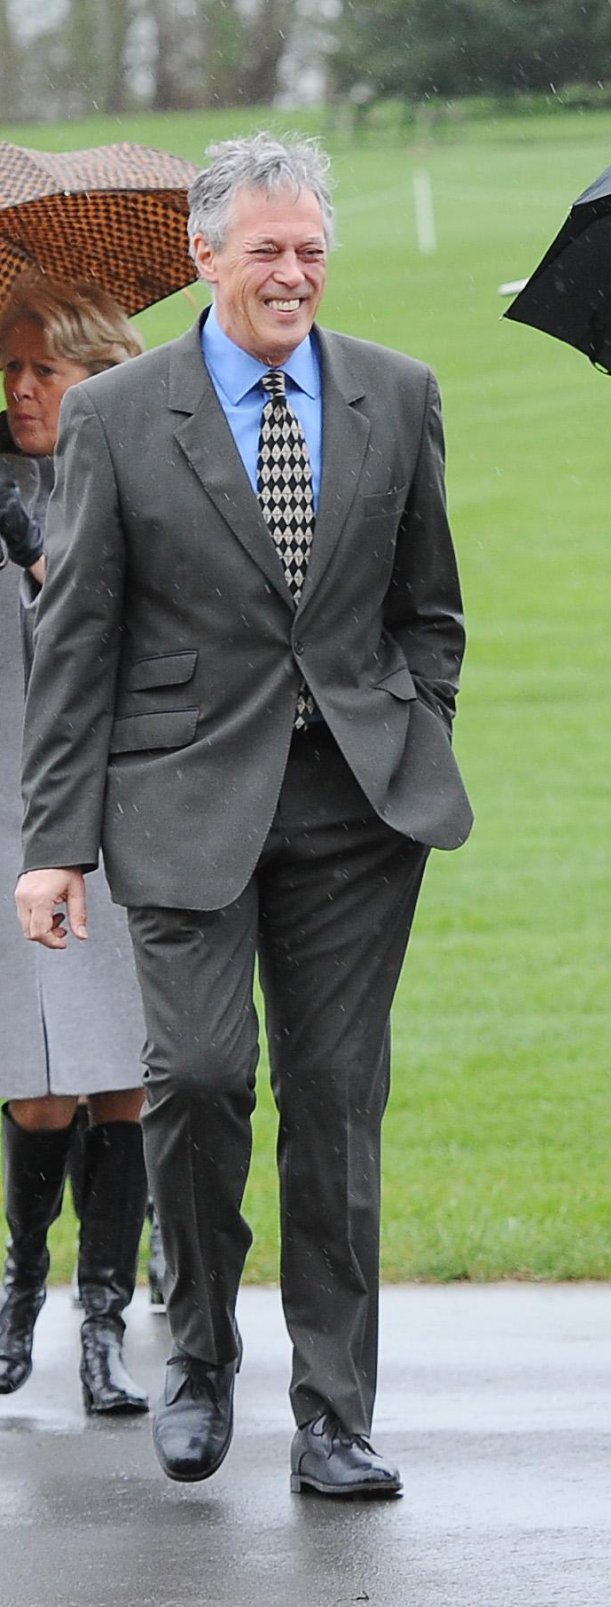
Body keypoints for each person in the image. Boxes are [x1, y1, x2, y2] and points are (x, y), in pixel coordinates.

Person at [15, 133, 472, 1498]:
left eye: (312, 250)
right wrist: (54, 840)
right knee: (202, 1076)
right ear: (207, 256)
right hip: (181, 801)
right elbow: (79, 632)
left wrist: (415, 726)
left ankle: (336, 1409)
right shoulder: (116, 415)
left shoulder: (397, 394)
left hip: (356, 812)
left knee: (336, 1103)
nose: (293, 273)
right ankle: (201, 1350)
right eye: (266, 249)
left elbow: (429, 606)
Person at [0, 276, 151, 1415]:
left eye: (42, 368)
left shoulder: (133, 477)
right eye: (7, 369)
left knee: (122, 1079)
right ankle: (23, 1287)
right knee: (34, 1082)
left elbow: (106, 637)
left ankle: (103, 1322)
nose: (19, 389)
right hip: (11, 817)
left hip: (115, 813)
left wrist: (39, 551)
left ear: (97, 374)